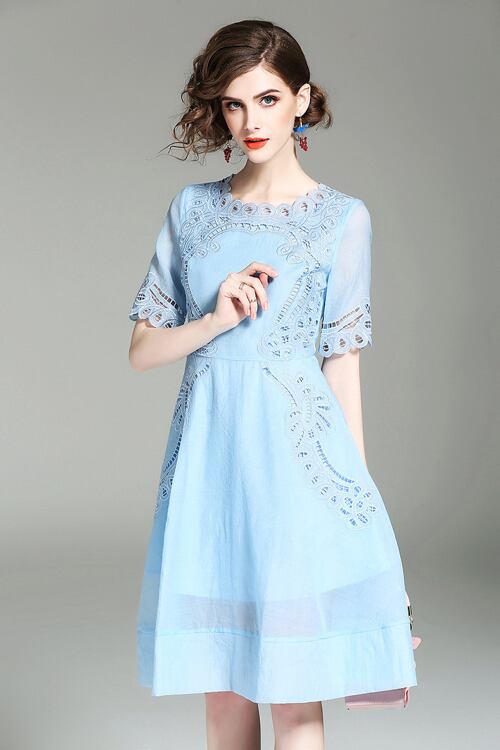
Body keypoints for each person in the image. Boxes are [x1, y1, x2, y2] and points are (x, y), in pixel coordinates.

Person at [127, 18, 417, 750]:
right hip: (209, 480)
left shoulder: (343, 220)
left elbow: (342, 368)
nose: (249, 121)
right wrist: (213, 320)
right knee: (224, 695)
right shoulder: (192, 210)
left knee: (293, 698)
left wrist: (359, 508)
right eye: (233, 104)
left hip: (299, 481)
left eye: (266, 99)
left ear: (301, 100)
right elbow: (142, 352)